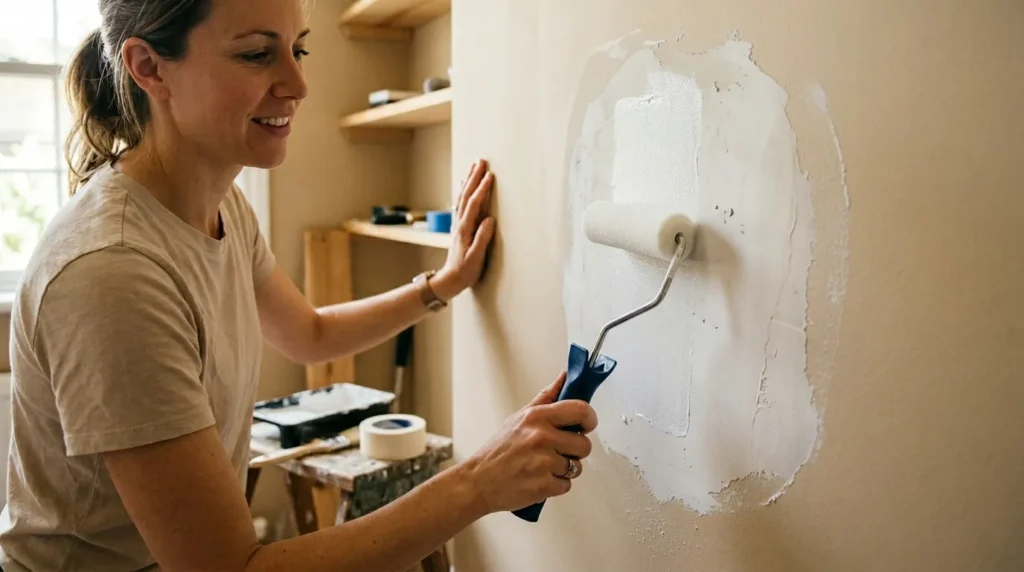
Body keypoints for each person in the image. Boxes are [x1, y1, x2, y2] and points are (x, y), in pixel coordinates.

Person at [0, 0, 598, 570]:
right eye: (257, 54)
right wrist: (478, 482)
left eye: (298, 50)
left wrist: (442, 283)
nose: (297, 84)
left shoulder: (223, 207)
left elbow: (310, 334)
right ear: (149, 68)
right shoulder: (113, 273)